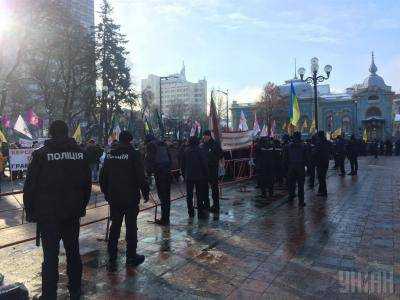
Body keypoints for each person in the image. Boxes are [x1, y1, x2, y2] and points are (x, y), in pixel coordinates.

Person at [23, 120, 91, 300]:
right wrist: (81, 206)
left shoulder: (40, 154)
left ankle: (49, 295)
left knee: (50, 257)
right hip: (72, 213)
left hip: (48, 214)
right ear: (67, 133)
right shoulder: (81, 154)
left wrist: (30, 211)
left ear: (51, 133)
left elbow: (30, 185)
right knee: (73, 252)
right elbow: (87, 184)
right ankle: (75, 290)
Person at [100, 131, 149, 271]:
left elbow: (103, 175)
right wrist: (145, 192)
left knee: (114, 227)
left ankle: (112, 258)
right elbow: (141, 175)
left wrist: (107, 193)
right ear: (131, 140)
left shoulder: (111, 154)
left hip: (114, 197)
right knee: (131, 227)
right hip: (130, 197)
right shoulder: (134, 154)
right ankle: (131, 257)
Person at [145, 134, 172, 226]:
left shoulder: (151, 145)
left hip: (160, 173)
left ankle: (164, 220)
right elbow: (169, 157)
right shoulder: (163, 144)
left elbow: (150, 159)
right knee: (167, 197)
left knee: (162, 196)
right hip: (167, 171)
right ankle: (166, 218)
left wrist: (148, 173)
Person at [181, 136, 208, 218]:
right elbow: (204, 163)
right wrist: (206, 173)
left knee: (189, 195)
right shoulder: (200, 150)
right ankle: (200, 212)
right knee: (199, 194)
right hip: (199, 176)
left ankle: (191, 212)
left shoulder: (186, 151)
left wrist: (183, 174)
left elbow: (182, 164)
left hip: (189, 176)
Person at [283, 132, 308, 207]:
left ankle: (290, 198)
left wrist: (286, 168)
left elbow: (285, 159)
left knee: (291, 184)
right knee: (300, 186)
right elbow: (306, 158)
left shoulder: (288, 146)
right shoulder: (304, 146)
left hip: (291, 167)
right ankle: (301, 202)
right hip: (300, 167)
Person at [201, 130, 223, 213]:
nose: (204, 138)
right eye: (203, 136)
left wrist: (213, 159)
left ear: (209, 136)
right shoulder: (203, 145)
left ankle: (216, 206)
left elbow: (220, 154)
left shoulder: (215, 144)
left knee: (214, 188)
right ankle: (206, 205)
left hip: (213, 169)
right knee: (204, 189)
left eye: (205, 136)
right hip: (205, 170)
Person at [314, 131, 331, 197]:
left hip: (320, 162)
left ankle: (323, 191)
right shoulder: (327, 142)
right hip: (326, 161)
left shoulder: (319, 143)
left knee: (321, 177)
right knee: (322, 177)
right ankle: (321, 191)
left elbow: (315, 152)